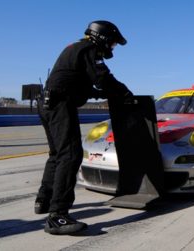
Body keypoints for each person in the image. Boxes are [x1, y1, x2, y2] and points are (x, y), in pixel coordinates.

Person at [36, 20, 132, 235]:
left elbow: (77, 82)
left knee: (57, 155)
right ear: (103, 38)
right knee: (70, 155)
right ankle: (57, 216)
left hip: (46, 103)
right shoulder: (90, 49)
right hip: (59, 104)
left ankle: (44, 200)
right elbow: (103, 77)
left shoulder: (75, 48)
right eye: (113, 43)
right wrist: (125, 93)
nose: (113, 47)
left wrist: (102, 93)